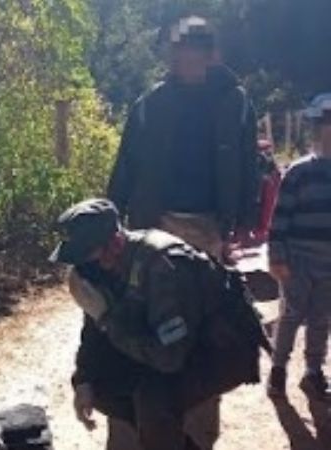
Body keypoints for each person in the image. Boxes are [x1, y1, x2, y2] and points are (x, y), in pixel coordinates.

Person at [49, 198, 267, 450]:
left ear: (115, 244)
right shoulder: (103, 269)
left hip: (222, 348)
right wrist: (84, 379)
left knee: (152, 399)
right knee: (103, 386)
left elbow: (169, 357)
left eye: (87, 258)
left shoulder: (162, 266)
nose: (83, 268)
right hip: (173, 342)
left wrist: (107, 319)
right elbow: (94, 330)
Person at [107, 16, 259, 259]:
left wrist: (246, 220)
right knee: (158, 292)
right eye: (177, 51)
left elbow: (249, 162)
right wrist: (111, 222)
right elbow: (126, 164)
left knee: (206, 292)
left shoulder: (235, 103)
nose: (183, 59)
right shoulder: (150, 104)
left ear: (211, 55)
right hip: (157, 219)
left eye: (193, 51)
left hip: (212, 222)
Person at [267, 93, 331, 400]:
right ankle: (278, 369)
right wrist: (277, 255)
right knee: (291, 314)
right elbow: (280, 218)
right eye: (328, 123)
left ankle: (313, 371)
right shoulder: (300, 172)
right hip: (299, 259)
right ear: (317, 129)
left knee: (322, 317)